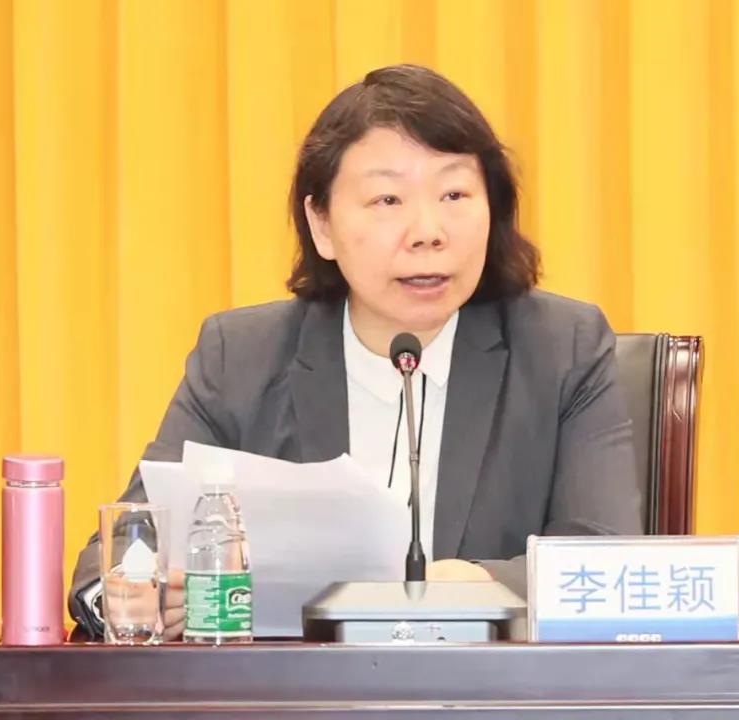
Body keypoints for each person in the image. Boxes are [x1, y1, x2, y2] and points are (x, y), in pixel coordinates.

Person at [69, 64, 642, 640]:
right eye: (387, 199)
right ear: (321, 224)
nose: (428, 231)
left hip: (490, 684)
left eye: (454, 194)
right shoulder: (239, 357)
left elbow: (608, 559)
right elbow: (115, 555)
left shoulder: (562, 349)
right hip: (293, 686)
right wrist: (135, 596)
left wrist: (473, 583)